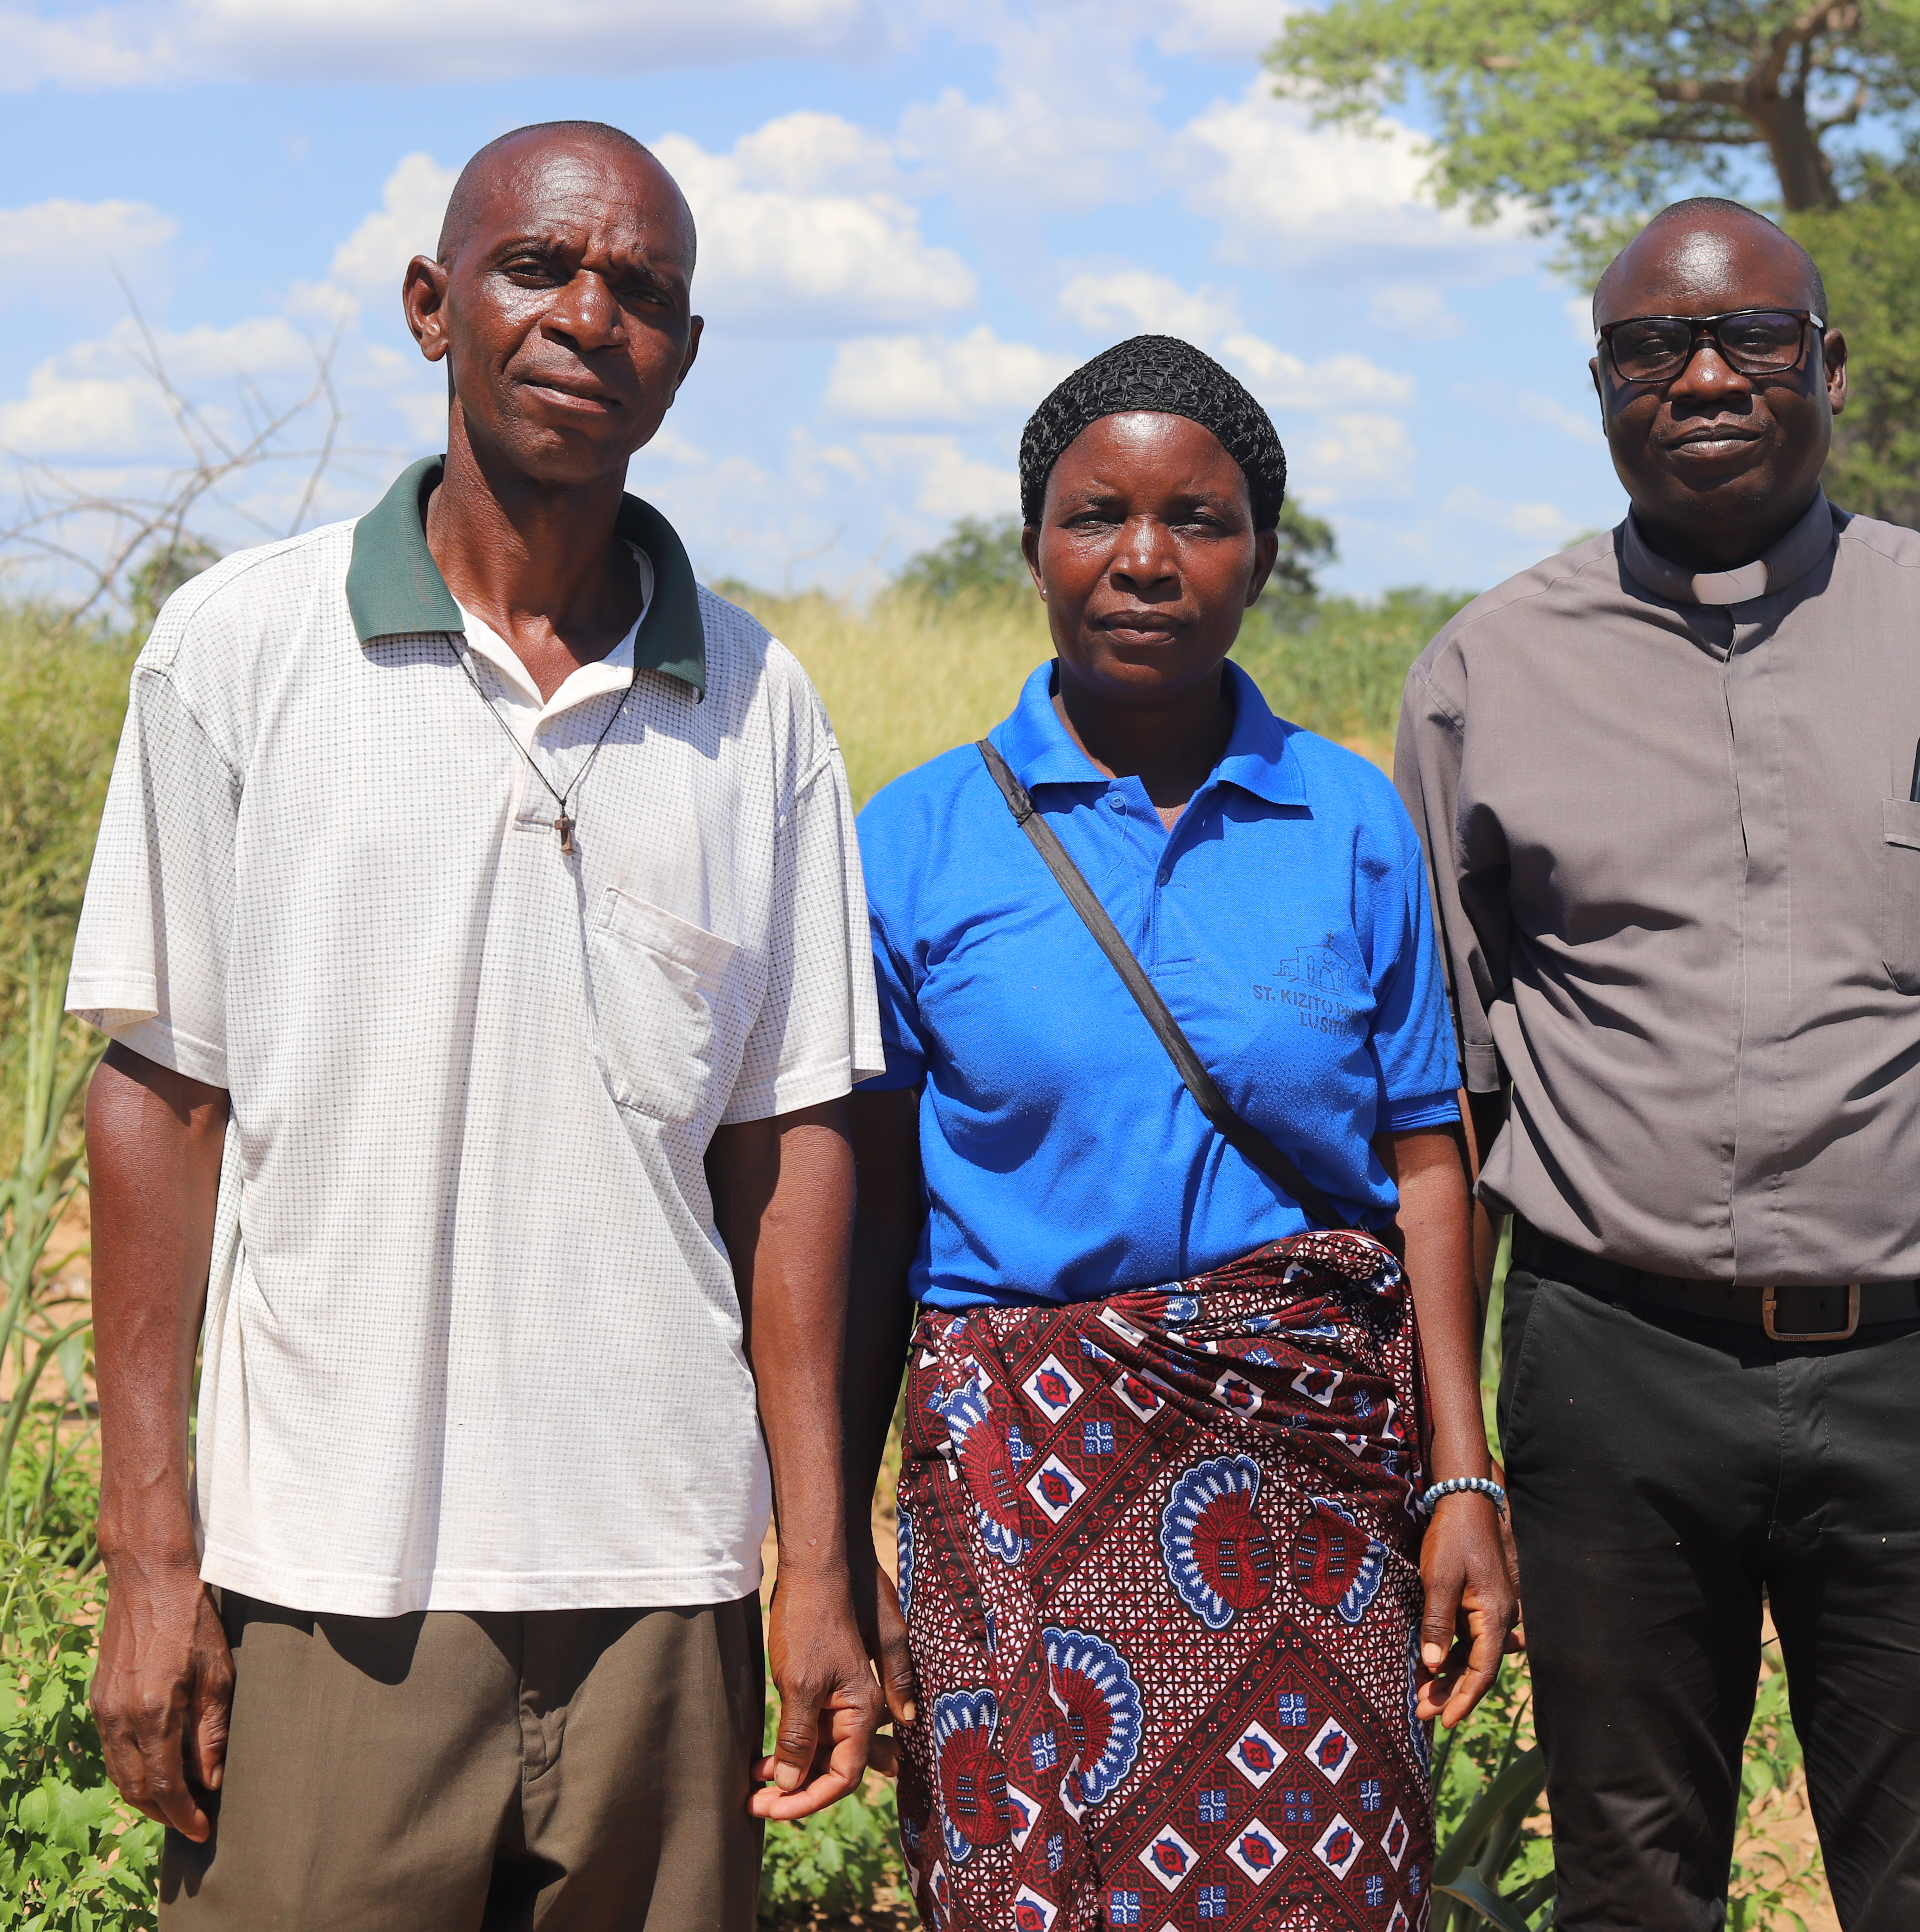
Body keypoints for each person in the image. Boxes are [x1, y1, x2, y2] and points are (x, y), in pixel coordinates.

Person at [71, 122, 888, 1929]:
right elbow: (158, 1095)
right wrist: (151, 1549)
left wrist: (815, 1547)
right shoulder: (238, 652)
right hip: (327, 1580)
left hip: (663, 1581)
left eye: (644, 293)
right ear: (435, 305)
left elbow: (793, 1141)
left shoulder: (760, 707)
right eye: (539, 268)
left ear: (682, 358)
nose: (589, 316)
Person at [1394, 200, 1920, 1930]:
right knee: (1633, 1881)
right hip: (1610, 1371)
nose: (1705, 375)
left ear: (1833, 370)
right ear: (1600, 388)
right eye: (1655, 347)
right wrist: (1460, 1454)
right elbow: (1446, 1098)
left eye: (1753, 339)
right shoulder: (1486, 674)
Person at [842, 335, 1517, 1932]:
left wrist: (1459, 1475)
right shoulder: (917, 839)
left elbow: (1431, 1164)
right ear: (1034, 549)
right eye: (1097, 517)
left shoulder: (1349, 820)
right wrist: (835, 1536)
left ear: (1263, 556)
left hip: (1311, 1503)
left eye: (1199, 519)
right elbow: (871, 1218)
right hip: (1013, 1493)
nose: (1144, 559)